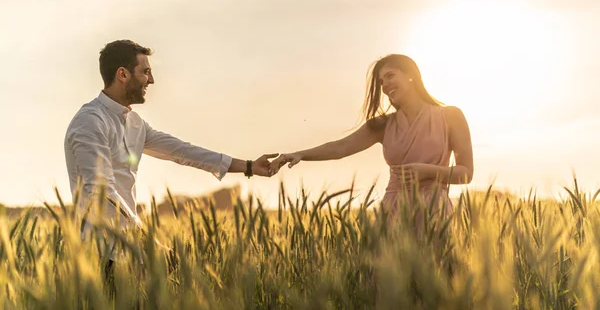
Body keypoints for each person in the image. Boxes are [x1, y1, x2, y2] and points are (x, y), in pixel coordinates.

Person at [64, 39, 277, 275]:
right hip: (99, 253)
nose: (151, 80)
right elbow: (100, 190)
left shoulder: (135, 124)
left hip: (130, 251)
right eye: (145, 72)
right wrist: (145, 237)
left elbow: (182, 151)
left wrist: (248, 166)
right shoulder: (90, 122)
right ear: (123, 74)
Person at [269, 54, 473, 229]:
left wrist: (427, 171)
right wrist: (300, 154)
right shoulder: (382, 125)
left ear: (411, 75)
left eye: (390, 76)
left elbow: (466, 173)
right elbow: (340, 147)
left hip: (434, 212)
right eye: (381, 81)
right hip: (393, 211)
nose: (385, 86)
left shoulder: (450, 116)